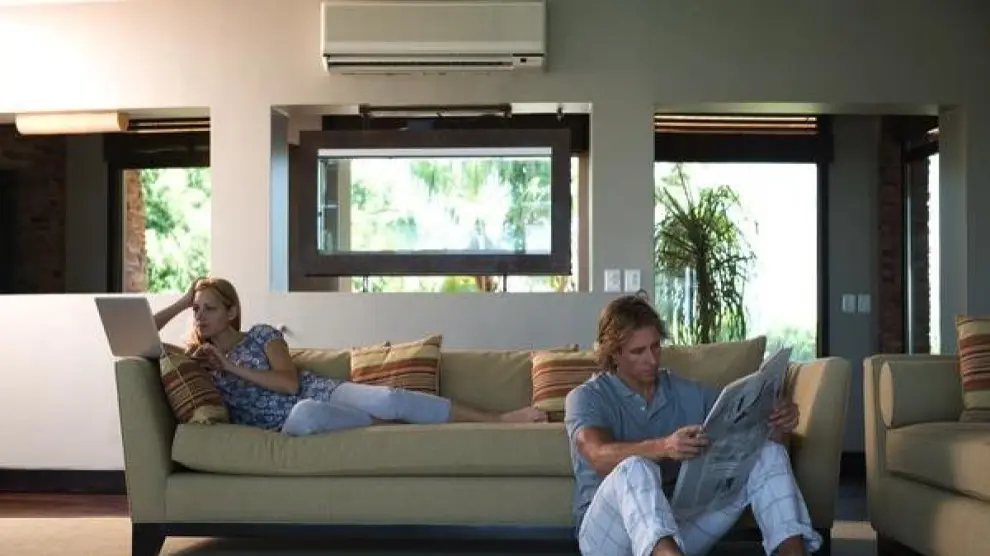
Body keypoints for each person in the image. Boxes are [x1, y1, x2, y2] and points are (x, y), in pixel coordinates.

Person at [564, 294, 821, 556]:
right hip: (608, 538)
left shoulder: (686, 392)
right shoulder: (586, 397)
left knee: (767, 453)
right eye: (638, 351)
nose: (652, 359)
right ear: (614, 355)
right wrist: (665, 446)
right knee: (635, 467)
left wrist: (777, 422)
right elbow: (597, 455)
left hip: (674, 528)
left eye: (655, 347)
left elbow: (762, 443)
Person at [153, 277, 548, 435]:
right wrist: (183, 301)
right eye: (196, 310)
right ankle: (394, 428)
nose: (200, 316)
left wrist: (230, 366)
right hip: (290, 421)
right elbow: (140, 339)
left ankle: (499, 419)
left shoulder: (261, 335)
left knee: (390, 397)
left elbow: (289, 383)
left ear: (232, 312)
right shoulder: (197, 358)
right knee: (308, 413)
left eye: (209, 308)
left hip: (318, 390)